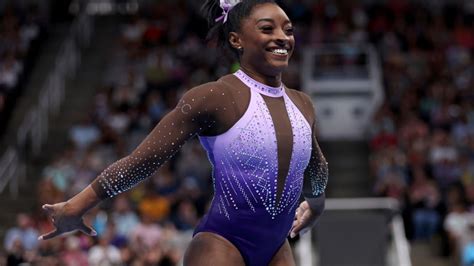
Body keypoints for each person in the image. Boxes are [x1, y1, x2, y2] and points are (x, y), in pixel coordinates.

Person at [39, 0, 329, 265]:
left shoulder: (303, 104)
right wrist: (77, 205)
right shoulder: (216, 96)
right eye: (267, 29)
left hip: (277, 248)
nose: (282, 37)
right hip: (222, 243)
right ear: (235, 39)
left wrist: (315, 204)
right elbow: (142, 161)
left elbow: (316, 167)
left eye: (288, 30)